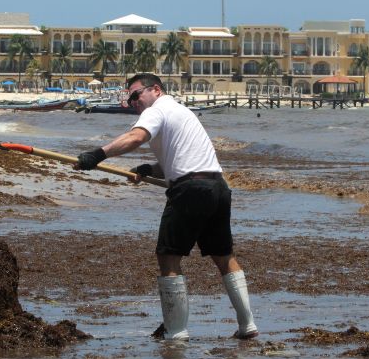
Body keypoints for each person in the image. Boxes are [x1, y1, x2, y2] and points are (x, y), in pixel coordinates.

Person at [75, 73, 258, 341]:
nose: (132, 101)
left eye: (136, 95)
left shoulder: (157, 110)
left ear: (156, 90)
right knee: (223, 256)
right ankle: (247, 326)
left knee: (168, 256)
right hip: (217, 187)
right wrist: (149, 169)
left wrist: (97, 154)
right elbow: (179, 161)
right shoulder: (181, 112)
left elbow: (135, 137)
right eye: (129, 97)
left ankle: (176, 332)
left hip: (191, 190)